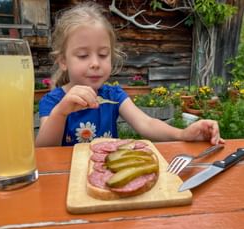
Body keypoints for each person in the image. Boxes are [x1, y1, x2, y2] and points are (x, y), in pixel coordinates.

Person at [35, 2, 224, 147]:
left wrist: (183, 134)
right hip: (65, 182)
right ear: (63, 61)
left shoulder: (113, 96)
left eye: (103, 54)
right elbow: (44, 148)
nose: (95, 63)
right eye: (83, 55)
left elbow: (147, 124)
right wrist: (61, 113)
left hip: (106, 179)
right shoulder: (53, 102)